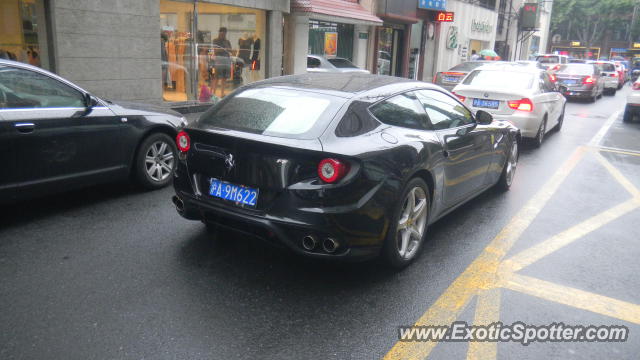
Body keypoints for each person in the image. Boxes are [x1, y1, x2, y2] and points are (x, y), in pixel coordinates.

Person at [211, 27, 232, 97]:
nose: (223, 34)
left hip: (226, 60)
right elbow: (216, 50)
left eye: (225, 33)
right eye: (222, 32)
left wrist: (226, 49)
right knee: (216, 77)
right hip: (219, 61)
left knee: (224, 78)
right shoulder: (215, 41)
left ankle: (222, 93)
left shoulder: (227, 41)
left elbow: (230, 50)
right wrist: (224, 49)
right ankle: (213, 93)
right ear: (219, 32)